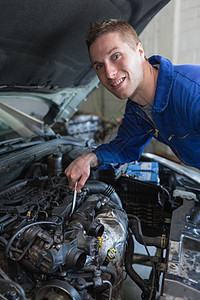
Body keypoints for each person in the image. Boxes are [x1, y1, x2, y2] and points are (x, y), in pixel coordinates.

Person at [65, 19, 200, 192]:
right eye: (99, 66)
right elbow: (124, 147)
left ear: (139, 51)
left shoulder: (192, 94)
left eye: (115, 56)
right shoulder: (137, 109)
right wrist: (90, 158)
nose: (109, 73)